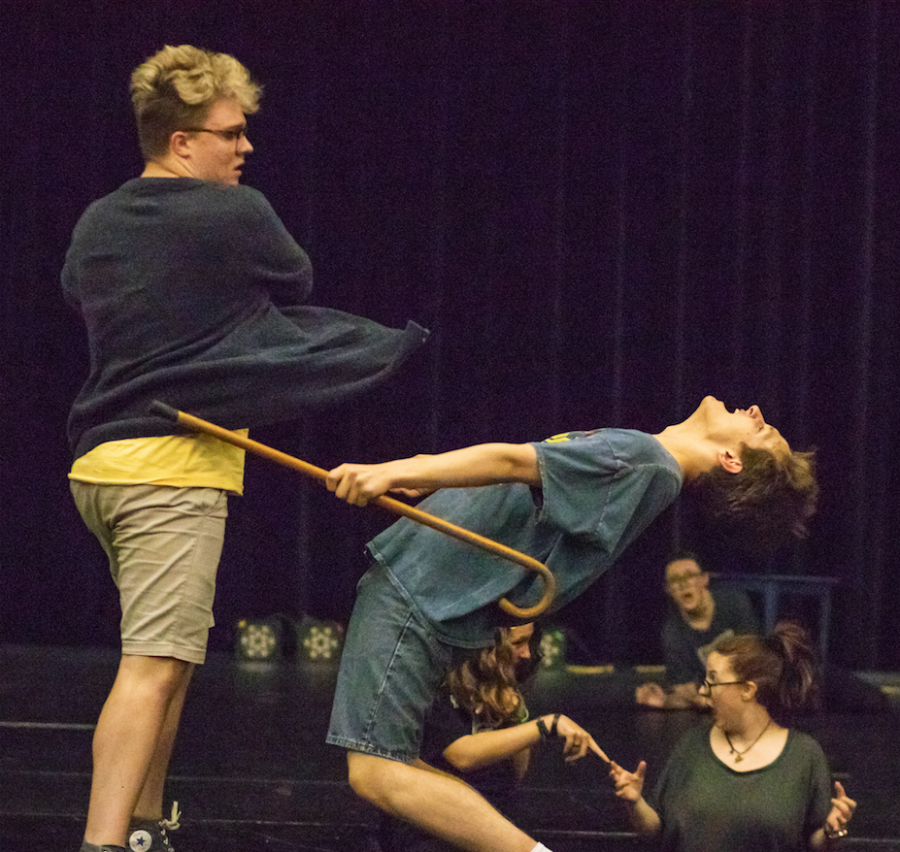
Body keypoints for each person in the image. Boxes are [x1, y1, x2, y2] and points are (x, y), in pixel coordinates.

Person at [62, 45, 427, 852]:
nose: (246, 148)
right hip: (170, 472)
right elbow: (293, 278)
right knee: (151, 666)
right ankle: (100, 843)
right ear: (183, 141)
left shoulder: (96, 221)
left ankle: (145, 826)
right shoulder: (236, 214)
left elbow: (77, 291)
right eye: (231, 133)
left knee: (175, 660)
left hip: (100, 468)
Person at [324, 396, 818, 852]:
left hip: (421, 591)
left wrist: (395, 470)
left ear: (731, 460)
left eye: (761, 429)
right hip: (428, 588)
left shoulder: (645, 459)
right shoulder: (651, 468)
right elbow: (527, 493)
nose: (753, 410)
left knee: (376, 772)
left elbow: (514, 462)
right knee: (394, 764)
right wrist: (433, 480)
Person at [611, 622, 856, 851]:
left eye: (713, 680)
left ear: (747, 690)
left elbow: (815, 840)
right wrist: (636, 804)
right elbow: (657, 830)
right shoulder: (692, 745)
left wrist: (831, 831)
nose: (702, 690)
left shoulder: (804, 756)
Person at [379, 623, 606, 852]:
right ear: (485, 643)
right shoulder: (436, 679)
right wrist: (547, 725)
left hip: (484, 816)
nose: (526, 653)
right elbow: (462, 754)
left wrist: (513, 717)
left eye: (528, 642)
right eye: (517, 643)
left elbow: (515, 775)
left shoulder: (499, 685)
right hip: (427, 826)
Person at [635, 551, 759, 709]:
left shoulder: (734, 604)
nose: (683, 584)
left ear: (704, 579)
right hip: (713, 703)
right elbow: (685, 689)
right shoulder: (673, 633)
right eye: (675, 580)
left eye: (689, 576)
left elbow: (755, 658)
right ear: (668, 589)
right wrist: (665, 701)